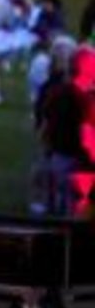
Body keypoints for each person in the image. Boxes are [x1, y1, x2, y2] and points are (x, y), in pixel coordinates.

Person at [36, 46, 95, 216]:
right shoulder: (85, 97)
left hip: (59, 158)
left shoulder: (57, 91)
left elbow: (45, 125)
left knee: (61, 207)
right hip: (79, 162)